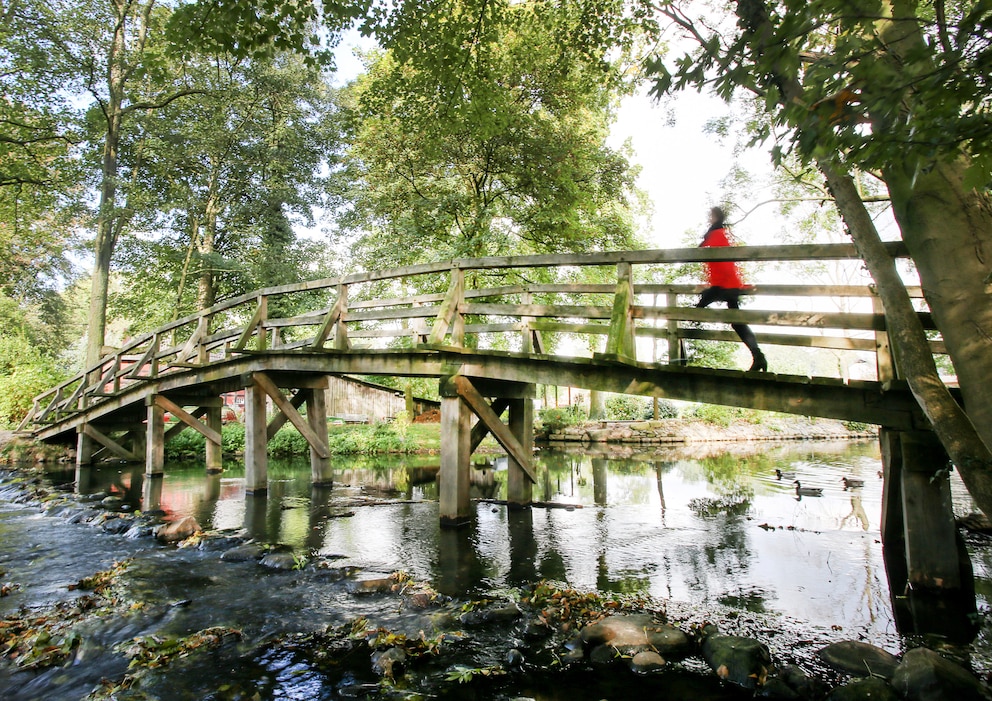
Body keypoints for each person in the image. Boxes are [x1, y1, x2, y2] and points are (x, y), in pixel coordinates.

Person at [695, 206, 768, 372]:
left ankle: (680, 344)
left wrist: (722, 284)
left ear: (716, 217)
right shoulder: (717, 232)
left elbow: (710, 253)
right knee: (737, 322)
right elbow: (703, 248)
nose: (709, 218)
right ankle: (758, 357)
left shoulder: (717, 232)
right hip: (727, 284)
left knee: (699, 308)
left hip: (724, 284)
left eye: (711, 215)